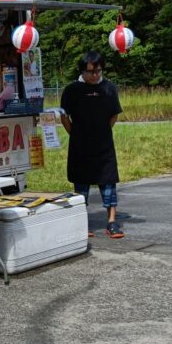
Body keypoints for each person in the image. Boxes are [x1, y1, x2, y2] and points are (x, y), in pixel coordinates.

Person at [60, 51, 125, 238]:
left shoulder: (109, 88)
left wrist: (103, 131)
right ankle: (82, 221)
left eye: (97, 71)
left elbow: (114, 114)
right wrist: (75, 133)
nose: (94, 75)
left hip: (104, 145)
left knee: (109, 181)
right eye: (90, 72)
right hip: (80, 145)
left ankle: (112, 222)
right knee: (81, 182)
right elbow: (64, 116)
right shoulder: (72, 90)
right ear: (82, 71)